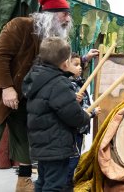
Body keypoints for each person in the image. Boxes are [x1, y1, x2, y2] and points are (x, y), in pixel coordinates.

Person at [0, 0, 98, 192]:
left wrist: (82, 60)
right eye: (64, 13)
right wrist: (7, 88)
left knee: (24, 137)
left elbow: (57, 62)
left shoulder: (53, 35)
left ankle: (24, 182)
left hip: (27, 95)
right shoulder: (19, 25)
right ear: (50, 14)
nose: (68, 18)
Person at [22, 37, 91, 192]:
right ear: (65, 63)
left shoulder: (36, 78)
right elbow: (73, 116)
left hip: (41, 144)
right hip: (56, 145)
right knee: (54, 186)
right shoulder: (59, 85)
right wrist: (85, 116)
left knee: (42, 181)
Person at [65, 52, 101, 189]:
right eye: (76, 65)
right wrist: (92, 113)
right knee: (72, 161)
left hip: (79, 130)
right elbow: (77, 112)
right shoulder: (70, 86)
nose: (80, 67)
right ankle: (66, 186)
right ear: (65, 66)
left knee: (74, 159)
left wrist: (86, 59)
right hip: (74, 131)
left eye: (80, 64)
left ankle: (68, 184)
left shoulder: (78, 81)